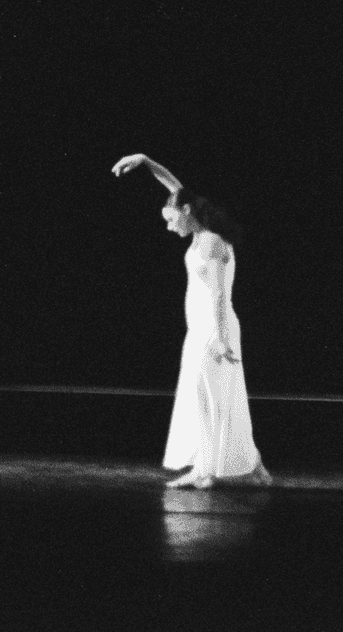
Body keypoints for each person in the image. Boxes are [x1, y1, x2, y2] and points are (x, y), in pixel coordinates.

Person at [113, 153, 272, 489]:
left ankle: (207, 470)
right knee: (210, 394)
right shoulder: (199, 231)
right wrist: (144, 161)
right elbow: (174, 185)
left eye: (172, 219)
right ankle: (247, 463)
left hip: (215, 328)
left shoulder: (212, 240)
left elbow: (218, 295)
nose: (170, 226)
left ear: (186, 212)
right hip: (200, 327)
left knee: (209, 395)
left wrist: (220, 337)